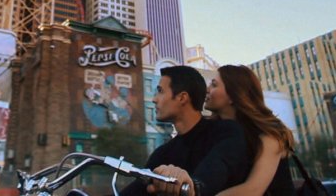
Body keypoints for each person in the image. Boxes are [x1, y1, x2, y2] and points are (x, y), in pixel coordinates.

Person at [120, 66, 250, 196]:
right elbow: (136, 189)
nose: (154, 99)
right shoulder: (162, 154)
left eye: (160, 91)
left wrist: (192, 186)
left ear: (182, 98)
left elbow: (218, 167)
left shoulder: (225, 131)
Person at [206, 65, 296, 196]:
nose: (207, 89)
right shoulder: (214, 133)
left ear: (232, 96)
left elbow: (253, 190)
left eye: (214, 85)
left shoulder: (269, 134)